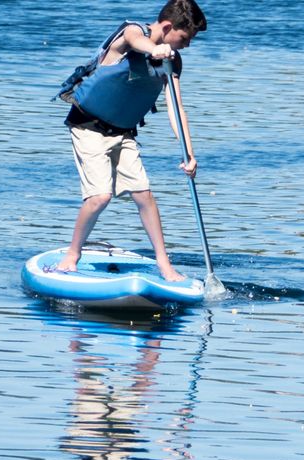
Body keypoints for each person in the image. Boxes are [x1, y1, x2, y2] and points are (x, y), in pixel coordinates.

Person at [56, 0, 208, 282]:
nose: (186, 45)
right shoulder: (131, 33)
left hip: (123, 134)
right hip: (88, 128)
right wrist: (154, 48)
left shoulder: (171, 61)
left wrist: (189, 153)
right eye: (184, 38)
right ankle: (72, 255)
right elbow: (136, 40)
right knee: (101, 196)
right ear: (167, 27)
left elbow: (176, 107)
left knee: (144, 195)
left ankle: (164, 265)